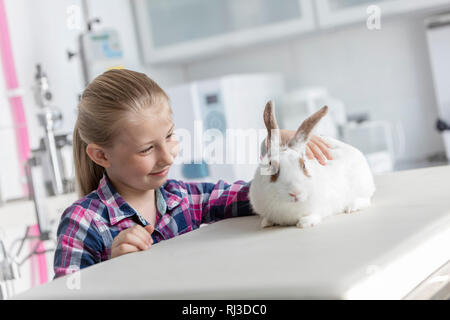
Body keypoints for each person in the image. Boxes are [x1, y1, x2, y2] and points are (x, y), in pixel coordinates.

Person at [53, 69, 332, 278]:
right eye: (147, 149)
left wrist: (274, 157)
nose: (168, 155)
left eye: (170, 136)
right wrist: (108, 271)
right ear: (101, 155)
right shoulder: (84, 223)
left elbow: (260, 197)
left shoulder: (184, 198)